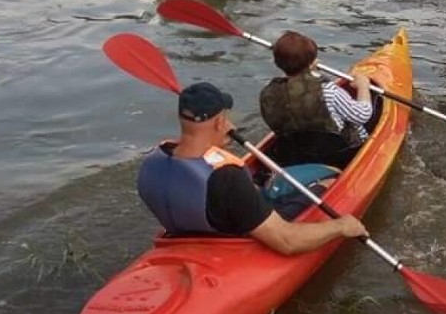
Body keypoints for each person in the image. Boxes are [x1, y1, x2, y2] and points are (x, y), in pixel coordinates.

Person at [137, 80, 367, 254]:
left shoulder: (152, 163)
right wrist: (341, 227)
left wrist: (215, 140)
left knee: (257, 183)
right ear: (219, 122)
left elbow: (199, 170)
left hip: (194, 231)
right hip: (241, 238)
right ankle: (328, 185)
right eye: (225, 118)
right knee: (331, 180)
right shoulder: (228, 177)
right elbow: (286, 242)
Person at [259, 31, 374, 167]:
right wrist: (363, 86)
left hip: (297, 155)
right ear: (312, 61)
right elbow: (362, 115)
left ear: (277, 63)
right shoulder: (328, 90)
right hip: (341, 154)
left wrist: (308, 71)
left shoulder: (268, 94)